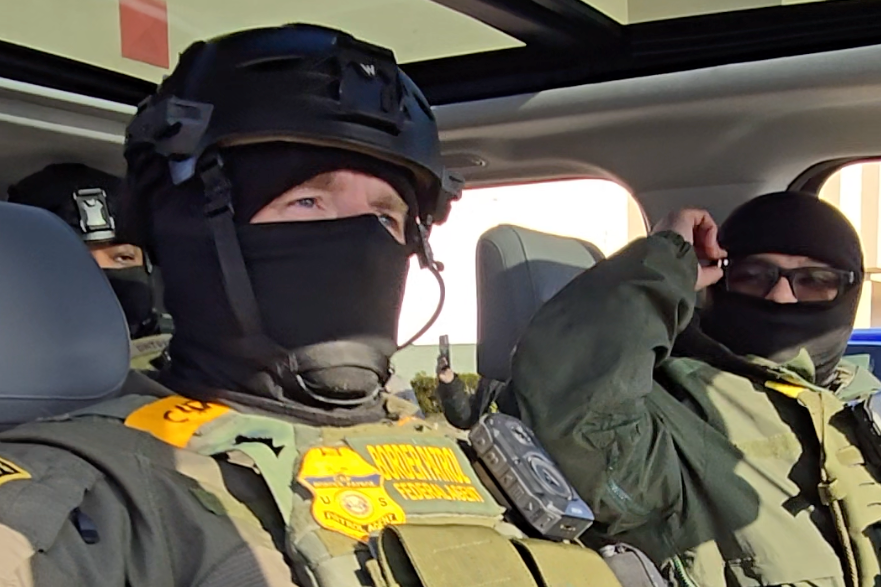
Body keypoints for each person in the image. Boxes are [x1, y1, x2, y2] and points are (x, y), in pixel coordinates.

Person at [0, 24, 625, 587]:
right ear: (190, 229)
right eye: (308, 202)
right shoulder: (97, 491)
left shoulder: (469, 454)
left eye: (385, 215)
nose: (359, 243)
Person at [510, 191, 881, 587]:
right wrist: (665, 263)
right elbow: (577, 401)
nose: (780, 295)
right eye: (754, 276)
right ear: (718, 281)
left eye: (814, 281)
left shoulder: (861, 408)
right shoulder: (673, 409)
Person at [7, 163, 172, 370]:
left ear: (147, 266)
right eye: (73, 261)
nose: (102, 275)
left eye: (122, 257)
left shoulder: (198, 373)